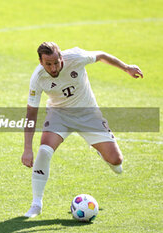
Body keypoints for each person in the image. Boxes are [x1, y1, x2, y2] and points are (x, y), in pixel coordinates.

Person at [22, 42, 143, 217]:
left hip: (88, 114)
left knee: (116, 162)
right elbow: (31, 113)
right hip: (59, 116)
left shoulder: (76, 57)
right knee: (44, 151)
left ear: (61, 57)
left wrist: (126, 68)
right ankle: (36, 205)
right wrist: (27, 148)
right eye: (48, 64)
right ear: (41, 62)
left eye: (56, 62)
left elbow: (101, 55)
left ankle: (101, 151)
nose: (53, 67)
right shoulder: (38, 77)